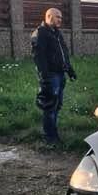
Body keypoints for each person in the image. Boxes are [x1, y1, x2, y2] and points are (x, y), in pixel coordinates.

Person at [32, 8, 76, 145]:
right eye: (57, 17)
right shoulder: (40, 33)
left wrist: (70, 70)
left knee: (57, 105)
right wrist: (44, 77)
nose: (60, 20)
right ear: (49, 16)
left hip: (60, 74)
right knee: (50, 106)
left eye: (61, 17)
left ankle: (54, 133)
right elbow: (38, 57)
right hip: (50, 76)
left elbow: (64, 54)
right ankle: (49, 138)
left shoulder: (57, 33)